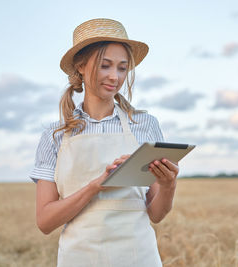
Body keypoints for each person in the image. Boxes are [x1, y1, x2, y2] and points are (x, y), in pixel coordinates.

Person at [29, 18, 179, 267]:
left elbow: (156, 214)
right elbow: (45, 221)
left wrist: (168, 184)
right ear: (80, 66)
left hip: (138, 256)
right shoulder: (54, 136)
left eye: (122, 68)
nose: (115, 77)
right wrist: (96, 186)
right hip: (80, 258)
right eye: (105, 66)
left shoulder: (145, 125)